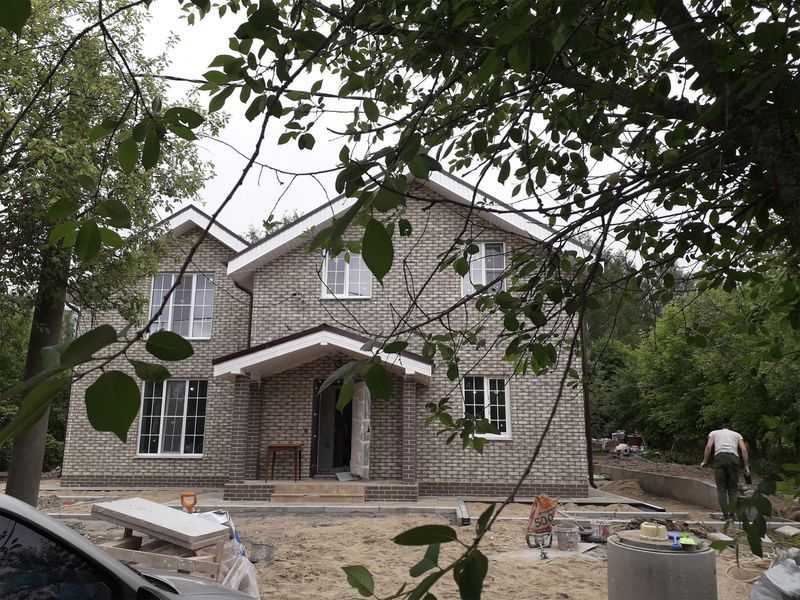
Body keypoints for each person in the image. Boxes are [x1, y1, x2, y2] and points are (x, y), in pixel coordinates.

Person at [701, 423, 750, 519]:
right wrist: (746, 466)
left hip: (720, 458)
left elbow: (709, 447)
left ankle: (725, 515)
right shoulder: (737, 435)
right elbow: (744, 449)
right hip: (733, 459)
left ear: (721, 428)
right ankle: (732, 515)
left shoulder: (714, 433)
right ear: (730, 429)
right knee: (733, 489)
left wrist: (704, 461)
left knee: (721, 489)